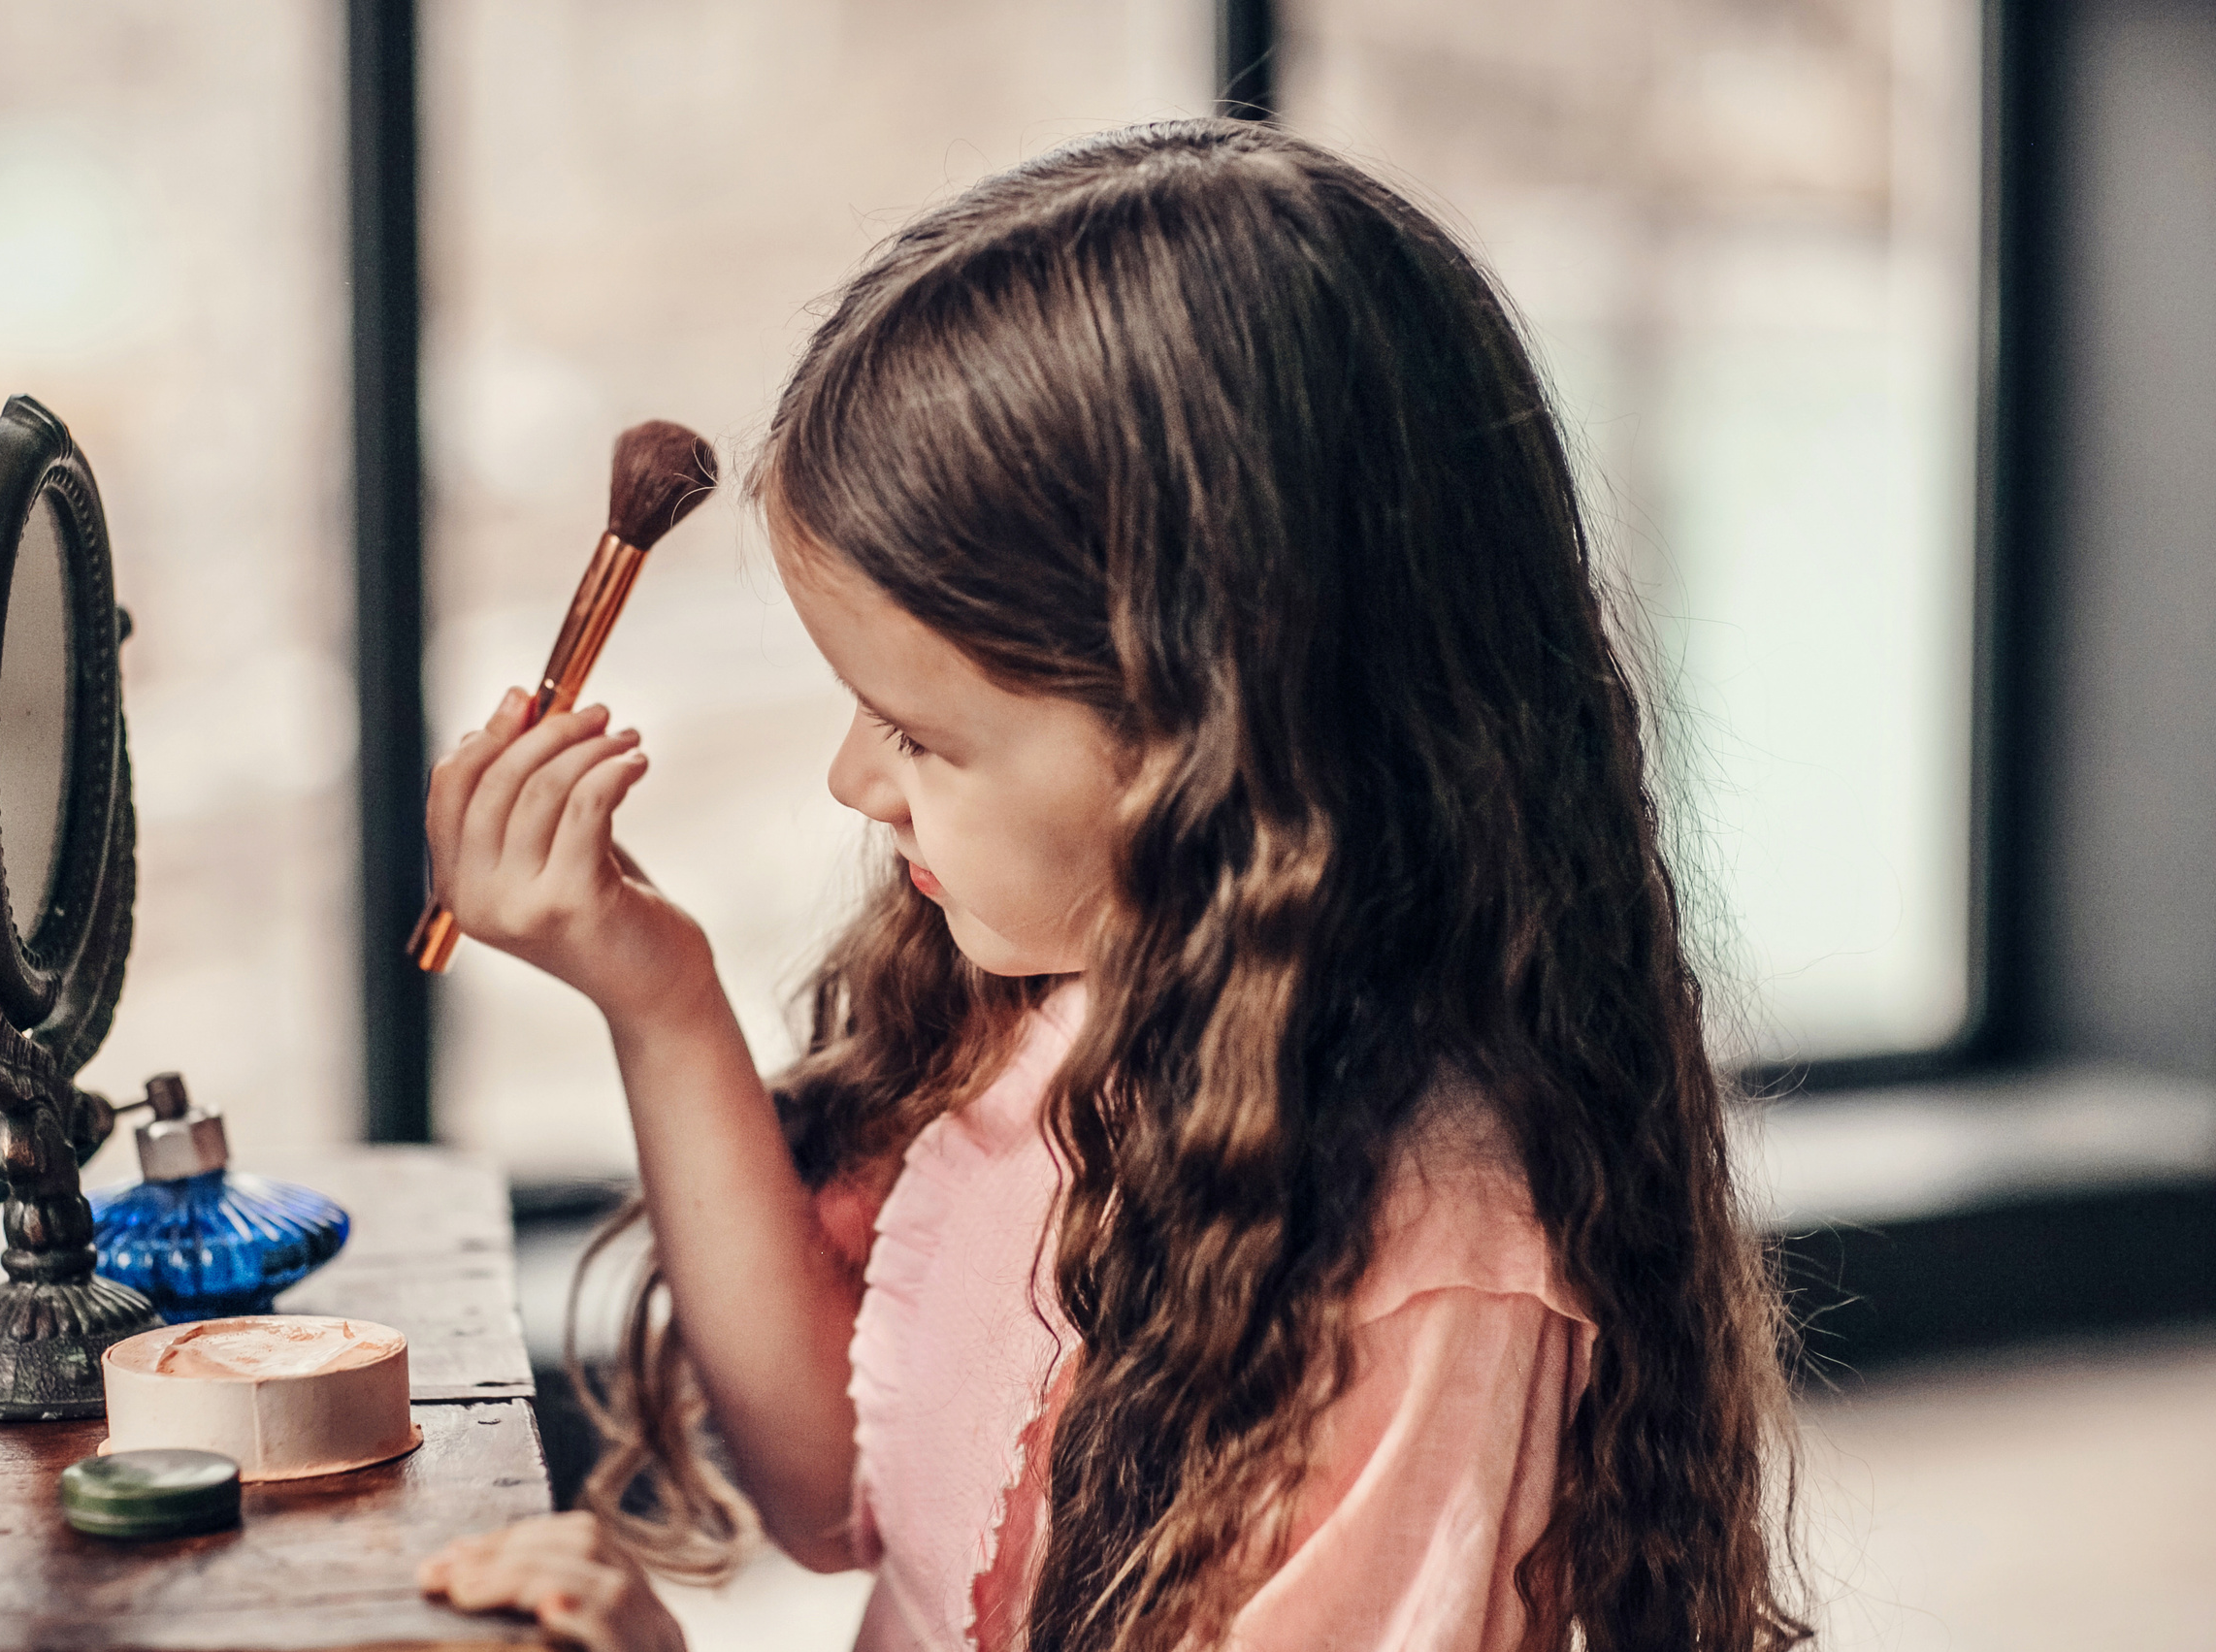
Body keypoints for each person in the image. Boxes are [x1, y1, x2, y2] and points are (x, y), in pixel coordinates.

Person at [412, 118, 1809, 1652]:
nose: (853, 784)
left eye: (921, 733)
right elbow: (840, 1500)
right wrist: (656, 991)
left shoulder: (1429, 1266)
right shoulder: (1056, 1016)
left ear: (1215, 739)